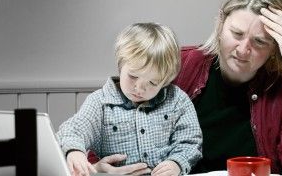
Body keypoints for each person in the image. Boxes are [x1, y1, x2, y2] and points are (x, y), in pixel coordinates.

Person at [172, 0, 282, 175]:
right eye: (237, 34)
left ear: (275, 46)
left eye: (260, 42)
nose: (243, 50)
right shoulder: (180, 65)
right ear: (220, 22)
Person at [56, 22, 202, 176]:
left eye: (153, 82)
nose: (139, 88)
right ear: (121, 64)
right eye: (133, 76)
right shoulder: (100, 102)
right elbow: (73, 130)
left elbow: (190, 140)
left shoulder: (177, 100)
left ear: (165, 81)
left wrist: (177, 163)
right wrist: (74, 151)